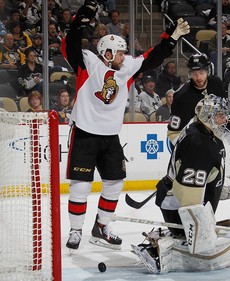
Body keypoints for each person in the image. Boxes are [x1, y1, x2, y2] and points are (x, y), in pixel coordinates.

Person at [62, 0, 190, 251]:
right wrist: (80, 21)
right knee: (80, 185)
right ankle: (76, 230)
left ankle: (101, 227)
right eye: (119, 52)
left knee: (114, 182)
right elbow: (69, 45)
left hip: (110, 136)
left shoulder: (127, 68)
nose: (124, 56)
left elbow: (153, 57)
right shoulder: (87, 62)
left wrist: (171, 37)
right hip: (84, 133)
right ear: (107, 53)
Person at [132, 95, 230, 274]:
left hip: (173, 191)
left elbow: (213, 143)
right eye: (221, 115)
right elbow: (187, 196)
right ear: (209, 116)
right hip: (177, 204)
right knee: (192, 239)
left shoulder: (199, 125)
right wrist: (199, 227)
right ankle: (163, 249)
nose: (225, 119)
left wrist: (227, 130)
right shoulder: (198, 146)